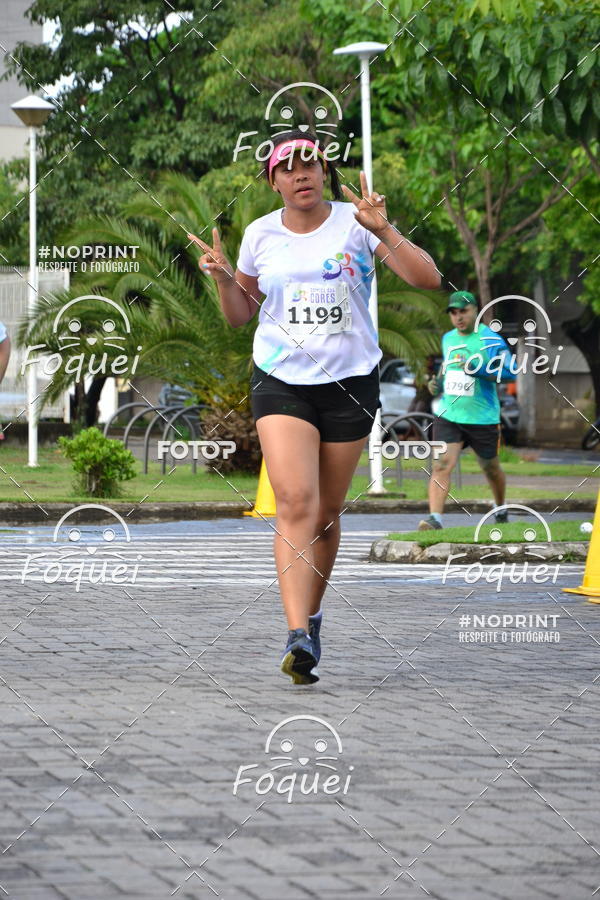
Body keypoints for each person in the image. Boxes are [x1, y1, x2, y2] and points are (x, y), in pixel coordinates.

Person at [189, 130, 440, 683]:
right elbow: (238, 316)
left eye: (310, 164)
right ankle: (297, 633)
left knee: (326, 513)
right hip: (281, 379)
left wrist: (386, 230)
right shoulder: (259, 235)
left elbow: (428, 278)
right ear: (273, 180)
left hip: (350, 382)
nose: (301, 174)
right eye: (288, 167)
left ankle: (314, 618)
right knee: (295, 502)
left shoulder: (357, 223)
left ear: (325, 172)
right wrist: (227, 280)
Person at [418, 290, 515, 531]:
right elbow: (447, 368)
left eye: (463, 311)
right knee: (441, 464)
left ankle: (500, 506)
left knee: (490, 468)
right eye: (453, 312)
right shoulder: (448, 338)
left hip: (482, 417)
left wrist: (478, 370)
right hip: (449, 414)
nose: (458, 317)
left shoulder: (491, 339)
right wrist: (436, 383)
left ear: (476, 311)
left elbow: (510, 372)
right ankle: (435, 519)